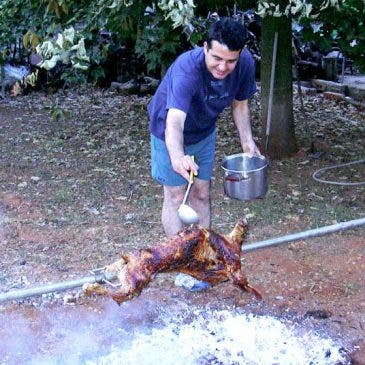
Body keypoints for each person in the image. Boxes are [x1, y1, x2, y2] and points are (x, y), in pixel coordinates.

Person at [148, 17, 261, 238]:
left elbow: (240, 104)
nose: (222, 67)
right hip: (168, 131)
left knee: (201, 193)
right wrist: (178, 157)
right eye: (216, 58)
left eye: (230, 61)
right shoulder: (186, 70)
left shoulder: (245, 63)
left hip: (204, 130)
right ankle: (181, 260)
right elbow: (174, 122)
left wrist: (248, 143)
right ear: (205, 47)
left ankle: (202, 256)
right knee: (176, 196)